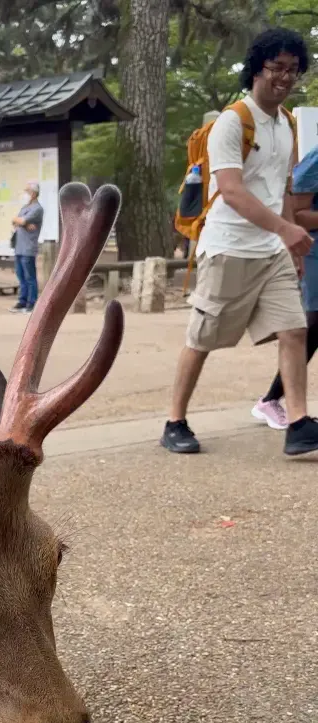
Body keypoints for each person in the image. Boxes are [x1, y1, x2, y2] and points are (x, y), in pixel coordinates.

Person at [161, 27, 318, 457]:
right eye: (276, 68)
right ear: (256, 70)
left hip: (271, 252)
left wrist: (288, 239)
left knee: (295, 329)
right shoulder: (233, 122)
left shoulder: (286, 124)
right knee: (203, 337)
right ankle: (175, 420)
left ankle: (299, 423)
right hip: (229, 248)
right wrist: (286, 229)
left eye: (293, 69)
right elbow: (231, 190)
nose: (285, 77)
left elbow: (282, 189)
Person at [252, 143, 318, 429]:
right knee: (314, 324)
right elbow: (298, 213)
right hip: (314, 250)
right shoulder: (315, 161)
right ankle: (269, 400)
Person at [9, 181, 44, 313]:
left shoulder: (37, 209)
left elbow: (21, 220)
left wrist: (21, 222)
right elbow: (15, 221)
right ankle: (22, 301)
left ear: (34, 193)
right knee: (21, 275)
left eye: (27, 191)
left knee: (30, 277)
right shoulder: (24, 208)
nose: (25, 194)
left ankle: (32, 303)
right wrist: (21, 222)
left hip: (28, 247)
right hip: (19, 246)